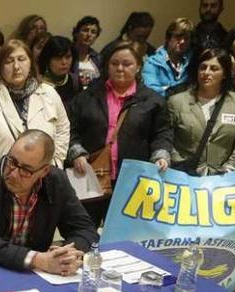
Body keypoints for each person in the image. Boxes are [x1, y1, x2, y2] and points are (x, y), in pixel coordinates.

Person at [0, 130, 97, 274]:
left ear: (44, 171)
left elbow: (85, 229)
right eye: (12, 162)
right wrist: (39, 260)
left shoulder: (56, 182)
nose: (14, 174)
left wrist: (67, 255)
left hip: (29, 273)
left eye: (26, 170)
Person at [67, 41, 172, 227]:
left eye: (127, 64)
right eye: (114, 63)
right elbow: (70, 129)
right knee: (86, 228)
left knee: (123, 231)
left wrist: (160, 154)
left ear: (138, 67)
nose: (120, 68)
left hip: (132, 179)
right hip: (92, 176)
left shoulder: (152, 101)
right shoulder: (87, 97)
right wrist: (76, 152)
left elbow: (162, 133)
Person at [0, 40, 70, 168]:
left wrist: (56, 161)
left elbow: (62, 128)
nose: (16, 66)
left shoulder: (48, 93)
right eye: (9, 61)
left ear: (30, 62)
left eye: (21, 59)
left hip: (41, 174)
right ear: (0, 66)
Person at [168, 48, 235, 175]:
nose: (206, 72)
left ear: (224, 74)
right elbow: (166, 136)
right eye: (203, 67)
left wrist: (232, 166)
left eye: (214, 68)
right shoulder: (176, 102)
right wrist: (178, 164)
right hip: (184, 175)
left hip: (223, 177)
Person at [142, 18, 194, 97]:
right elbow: (151, 93)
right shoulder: (152, 63)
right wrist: (175, 90)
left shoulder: (192, 61)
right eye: (178, 37)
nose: (182, 41)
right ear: (168, 38)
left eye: (186, 38)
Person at [38, 36, 80, 108]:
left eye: (68, 57)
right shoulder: (38, 84)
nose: (64, 62)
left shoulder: (75, 82)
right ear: (47, 59)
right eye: (58, 58)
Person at [71, 16, 102, 89]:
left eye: (93, 32)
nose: (89, 35)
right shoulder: (67, 55)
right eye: (85, 30)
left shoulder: (98, 58)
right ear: (76, 33)